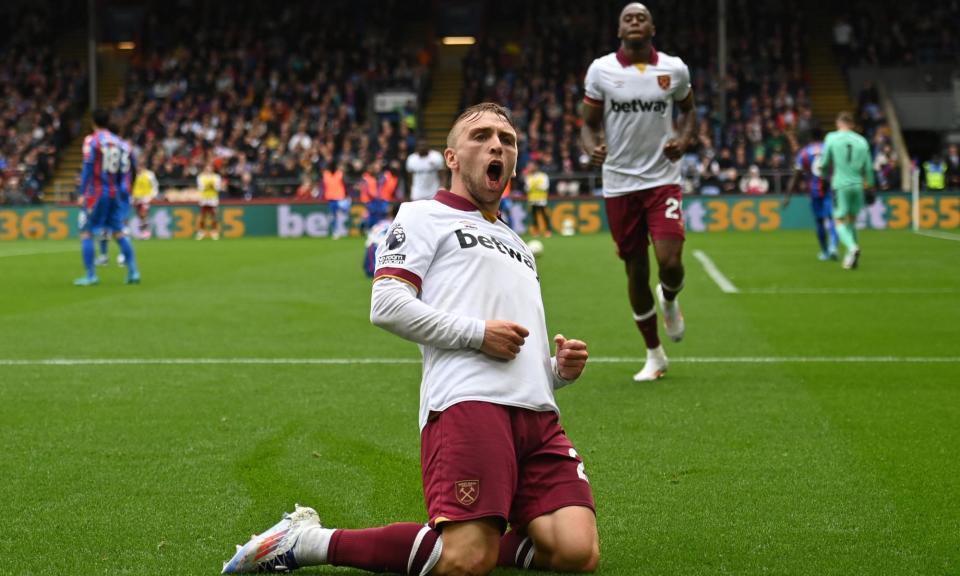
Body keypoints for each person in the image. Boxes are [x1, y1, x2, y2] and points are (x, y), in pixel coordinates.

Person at [222, 103, 599, 576]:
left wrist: (555, 372)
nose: (496, 144)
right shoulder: (423, 215)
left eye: (507, 139)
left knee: (576, 553)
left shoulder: (517, 242)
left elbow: (515, 350)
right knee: (465, 560)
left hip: (538, 417)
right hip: (469, 403)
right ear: (453, 157)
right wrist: (478, 335)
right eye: (480, 136)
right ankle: (306, 541)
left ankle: (478, 535)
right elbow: (386, 304)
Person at [580, 2, 696, 381]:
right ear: (619, 30)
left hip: (663, 179)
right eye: (627, 18)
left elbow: (689, 111)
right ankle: (654, 354)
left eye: (641, 17)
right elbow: (588, 124)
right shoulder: (601, 70)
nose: (634, 21)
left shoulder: (673, 69)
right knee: (636, 270)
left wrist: (683, 137)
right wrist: (590, 147)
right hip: (619, 183)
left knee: (671, 263)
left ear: (652, 27)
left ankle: (670, 298)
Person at [74, 108, 139, 286]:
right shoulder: (120, 143)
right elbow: (130, 169)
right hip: (115, 192)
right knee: (118, 232)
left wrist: (82, 193)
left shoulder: (93, 141)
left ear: (93, 122)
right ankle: (133, 271)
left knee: (86, 232)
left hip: (97, 192)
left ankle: (91, 275)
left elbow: (88, 168)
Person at [817, 111, 875, 270]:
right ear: (852, 125)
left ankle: (852, 248)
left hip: (840, 185)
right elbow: (869, 168)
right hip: (857, 185)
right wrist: (870, 186)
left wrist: (822, 179)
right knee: (852, 220)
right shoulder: (862, 141)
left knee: (839, 221)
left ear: (838, 123)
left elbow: (825, 162)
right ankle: (851, 258)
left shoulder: (832, 138)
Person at [783, 128, 839, 261]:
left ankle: (825, 252)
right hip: (830, 189)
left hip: (814, 191)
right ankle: (833, 247)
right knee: (832, 219)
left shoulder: (804, 153)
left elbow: (796, 176)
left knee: (819, 221)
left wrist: (788, 196)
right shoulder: (829, 149)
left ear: (809, 137)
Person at [524, 160, 552, 237]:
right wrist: (537, 186)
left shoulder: (543, 176)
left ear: (536, 167)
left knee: (544, 215)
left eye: (531, 166)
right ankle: (536, 231)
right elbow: (527, 188)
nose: (529, 168)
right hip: (532, 200)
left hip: (542, 200)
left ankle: (548, 231)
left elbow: (545, 187)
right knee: (534, 217)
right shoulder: (528, 177)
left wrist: (534, 186)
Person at [196, 160, 223, 240]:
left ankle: (214, 232)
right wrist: (211, 185)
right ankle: (201, 232)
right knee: (203, 216)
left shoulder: (216, 177)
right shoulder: (201, 177)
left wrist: (210, 186)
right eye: (207, 168)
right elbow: (201, 187)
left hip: (213, 199)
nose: (208, 169)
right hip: (204, 198)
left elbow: (217, 187)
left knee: (213, 216)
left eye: (210, 167)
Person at [132, 163, 159, 239]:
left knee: (143, 214)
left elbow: (155, 185)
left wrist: (153, 196)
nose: (138, 168)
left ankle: (146, 232)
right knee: (139, 215)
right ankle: (142, 231)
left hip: (146, 197)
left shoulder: (149, 174)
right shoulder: (134, 175)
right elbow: (133, 186)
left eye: (140, 166)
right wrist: (133, 197)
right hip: (136, 197)